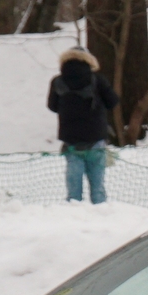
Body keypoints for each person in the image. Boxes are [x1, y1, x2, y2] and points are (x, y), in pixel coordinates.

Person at [47, 48, 117, 204]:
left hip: (71, 141)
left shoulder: (57, 81)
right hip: (96, 138)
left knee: (73, 192)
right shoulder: (98, 80)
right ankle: (100, 213)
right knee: (98, 187)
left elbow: (52, 106)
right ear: (89, 61)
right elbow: (112, 101)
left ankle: (74, 215)